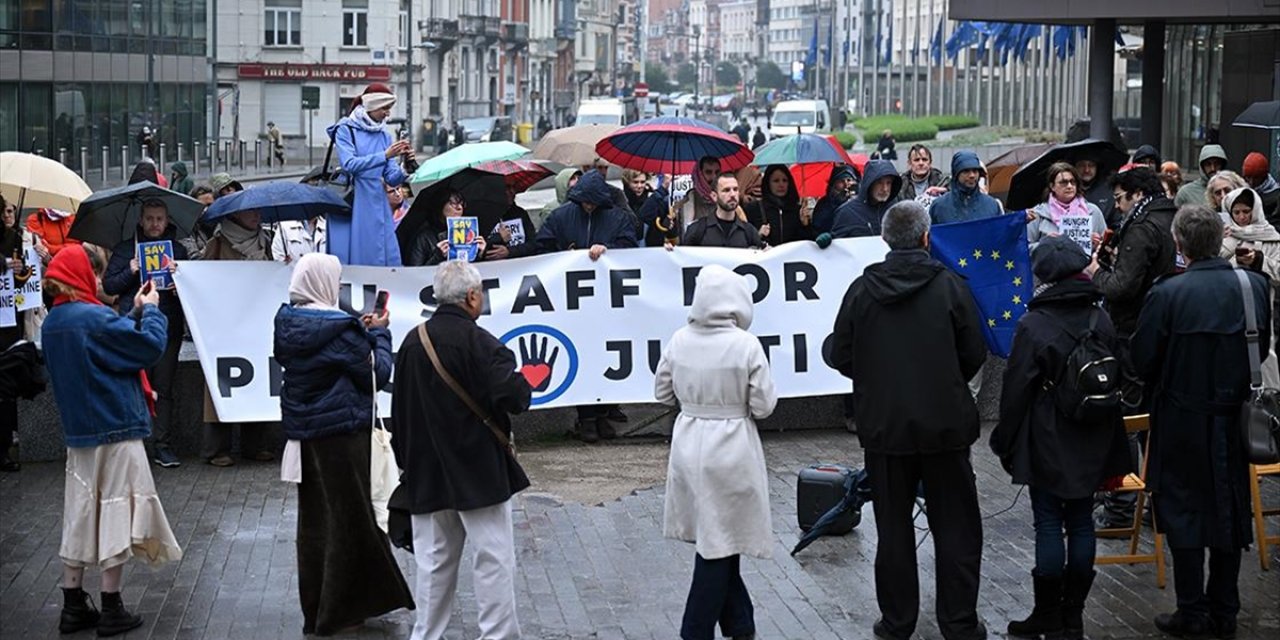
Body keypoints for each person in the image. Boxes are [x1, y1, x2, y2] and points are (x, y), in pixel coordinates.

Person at [830, 200, 988, 640]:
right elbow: (973, 351)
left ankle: (898, 621)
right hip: (944, 425)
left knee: (893, 528)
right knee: (956, 526)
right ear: (925, 237)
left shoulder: (863, 290)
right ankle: (958, 622)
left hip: (887, 427)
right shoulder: (951, 286)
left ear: (885, 239)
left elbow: (841, 352)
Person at [1130, 204, 1269, 640]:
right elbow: (1259, 351)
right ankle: (1224, 609)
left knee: (1184, 513)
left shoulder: (1167, 294)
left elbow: (1142, 360)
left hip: (1182, 417)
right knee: (1230, 511)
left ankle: (1192, 610)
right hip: (1234, 417)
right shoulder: (1254, 287)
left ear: (1180, 244)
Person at [991, 235, 1131, 640]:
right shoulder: (1099, 317)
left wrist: (1005, 440)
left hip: (1049, 438)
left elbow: (1015, 390)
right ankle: (1074, 616)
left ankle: (1047, 613)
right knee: (1082, 523)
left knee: (1049, 524)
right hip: (1095, 434)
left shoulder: (1033, 324)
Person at [41, 244, 182, 637]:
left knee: (82, 512)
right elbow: (146, 348)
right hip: (116, 427)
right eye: (97, 275)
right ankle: (112, 605)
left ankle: (73, 604)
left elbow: (105, 344)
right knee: (118, 513)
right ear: (82, 276)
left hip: (80, 433)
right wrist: (152, 310)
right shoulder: (93, 317)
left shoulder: (55, 322)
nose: (100, 282)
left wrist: (133, 311)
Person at [390, 260, 532, 640]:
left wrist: (406, 464)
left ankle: (427, 635)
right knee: (493, 558)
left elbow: (398, 411)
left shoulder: (411, 341)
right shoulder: (481, 342)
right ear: (472, 297)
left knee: (434, 563)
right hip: (478, 467)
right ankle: (497, 635)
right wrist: (525, 383)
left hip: (426, 468)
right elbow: (512, 396)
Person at [273, 253, 413, 635]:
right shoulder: (341, 328)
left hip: (307, 434)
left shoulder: (288, 321)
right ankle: (341, 611)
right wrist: (380, 334)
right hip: (342, 433)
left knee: (316, 522)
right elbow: (378, 373)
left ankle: (318, 607)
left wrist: (361, 334)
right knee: (350, 521)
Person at [655, 264, 776, 640]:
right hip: (732, 447)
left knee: (718, 537)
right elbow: (764, 405)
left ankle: (741, 623)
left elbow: (661, 393)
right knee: (719, 543)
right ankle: (695, 630)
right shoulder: (745, 345)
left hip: (689, 442)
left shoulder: (679, 339)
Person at [1086, 167, 1178, 530]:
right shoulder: (1169, 216)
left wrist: (1097, 270)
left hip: (1133, 332)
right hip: (1161, 330)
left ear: (1137, 194)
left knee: (1127, 420)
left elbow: (1122, 287)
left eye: (1121, 199)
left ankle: (1122, 509)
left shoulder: (1142, 227)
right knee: (1155, 422)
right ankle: (1159, 507)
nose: (1119, 208)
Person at [534, 171, 637, 442]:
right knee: (584, 355)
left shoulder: (617, 217)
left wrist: (609, 249)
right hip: (575, 302)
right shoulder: (561, 217)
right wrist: (563, 257)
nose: (588, 207)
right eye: (585, 203)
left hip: (606, 300)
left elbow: (630, 247)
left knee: (604, 357)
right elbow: (542, 248)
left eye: (592, 203)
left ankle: (601, 416)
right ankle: (587, 418)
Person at [102, 199, 190, 469]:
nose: (154, 224)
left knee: (164, 388)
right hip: (134, 326)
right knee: (137, 387)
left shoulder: (178, 250)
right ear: (141, 220)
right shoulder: (125, 249)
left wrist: (181, 280)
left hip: (168, 326)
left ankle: (162, 445)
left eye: (159, 219)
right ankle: (137, 445)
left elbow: (195, 287)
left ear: (167, 221)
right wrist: (131, 269)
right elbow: (109, 285)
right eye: (150, 218)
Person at [201, 209, 276, 465]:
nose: (256, 216)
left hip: (257, 322)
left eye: (257, 212)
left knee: (257, 380)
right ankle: (216, 449)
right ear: (235, 216)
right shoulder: (219, 242)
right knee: (221, 383)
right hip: (225, 324)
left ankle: (255, 445)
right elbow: (202, 276)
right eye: (250, 212)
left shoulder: (266, 240)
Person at [326, 83, 415, 267]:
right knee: (355, 256)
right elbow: (349, 164)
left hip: (376, 201)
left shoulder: (384, 135)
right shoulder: (345, 129)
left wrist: (405, 167)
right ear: (371, 106)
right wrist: (385, 155)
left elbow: (390, 177)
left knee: (382, 255)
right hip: (352, 200)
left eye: (389, 109)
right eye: (384, 108)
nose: (388, 113)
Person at [0, 194, 49, 473]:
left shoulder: (16, 238)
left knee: (5, 390)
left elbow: (24, 282)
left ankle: (4, 447)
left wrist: (21, 269)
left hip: (7, 322)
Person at [1220, 186, 1280, 387]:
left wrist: (1258, 260)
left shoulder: (1272, 237)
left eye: (1247, 211)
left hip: (1262, 305)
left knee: (1264, 353)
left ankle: (1269, 401)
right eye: (1236, 212)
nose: (1242, 217)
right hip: (1230, 305)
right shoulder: (1225, 237)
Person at [1027, 162, 1107, 257]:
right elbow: (1025, 249)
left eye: (1073, 182)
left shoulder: (1093, 211)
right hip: (1049, 270)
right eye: (1063, 182)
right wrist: (1045, 244)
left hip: (1085, 270)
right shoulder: (1037, 214)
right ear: (1052, 186)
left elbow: (1106, 247)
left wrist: (1097, 245)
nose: (1069, 186)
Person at [682, 173, 764, 249]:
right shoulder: (697, 230)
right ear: (714, 196)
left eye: (735, 189)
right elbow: (682, 258)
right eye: (726, 190)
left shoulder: (749, 232)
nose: (732, 194)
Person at [826, 160, 901, 239]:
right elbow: (837, 245)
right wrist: (829, 239)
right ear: (870, 183)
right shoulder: (847, 212)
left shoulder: (896, 210)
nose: (885, 189)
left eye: (888, 183)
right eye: (879, 183)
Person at [742, 165, 814, 246]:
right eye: (776, 181)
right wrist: (758, 235)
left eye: (785, 180)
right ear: (768, 183)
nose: (781, 185)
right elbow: (744, 241)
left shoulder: (797, 210)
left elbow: (806, 243)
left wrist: (805, 225)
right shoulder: (754, 209)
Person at [929, 150, 1004, 225]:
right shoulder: (939, 207)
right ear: (956, 174)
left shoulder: (992, 205)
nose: (972, 175)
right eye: (966, 171)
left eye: (975, 171)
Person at [484, 184, 539, 260]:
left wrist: (510, 252)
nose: (512, 192)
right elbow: (478, 250)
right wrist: (499, 237)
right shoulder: (483, 217)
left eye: (513, 187)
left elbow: (534, 244)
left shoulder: (520, 213)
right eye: (507, 188)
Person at [811, 165, 858, 235]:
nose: (846, 184)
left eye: (849, 180)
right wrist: (838, 202)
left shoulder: (857, 201)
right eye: (841, 181)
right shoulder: (824, 203)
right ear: (834, 183)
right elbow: (818, 225)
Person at [1073, 157, 1115, 225]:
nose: (1086, 170)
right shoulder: (1066, 190)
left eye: (1091, 165)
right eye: (1082, 165)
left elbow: (1116, 222)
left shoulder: (1108, 191)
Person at [1241, 152, 1280, 224]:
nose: (1251, 182)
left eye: (1256, 178)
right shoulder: (1240, 191)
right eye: (1248, 177)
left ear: (1264, 176)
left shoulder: (1277, 196)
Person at [180, 185, 217, 259]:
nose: (206, 209)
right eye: (202, 206)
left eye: (210, 205)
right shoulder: (186, 229)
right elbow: (194, 257)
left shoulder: (221, 226)